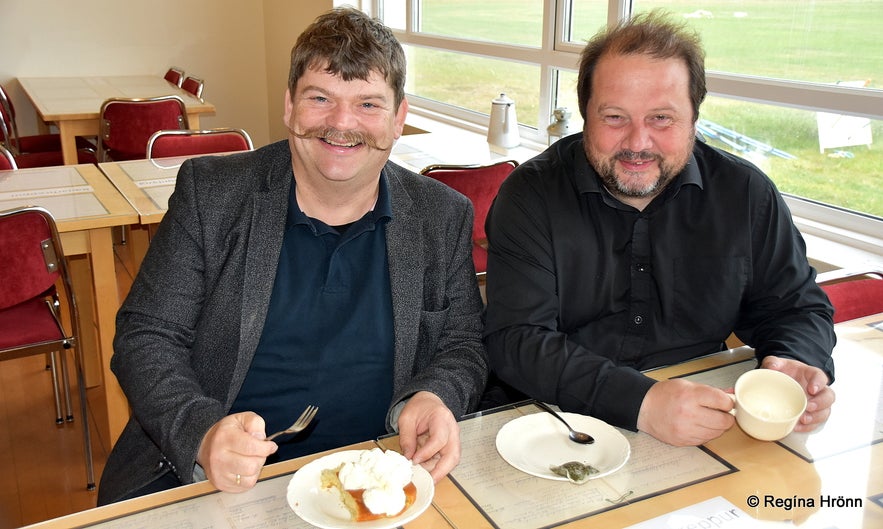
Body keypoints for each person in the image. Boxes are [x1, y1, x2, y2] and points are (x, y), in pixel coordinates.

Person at [98, 7, 487, 505]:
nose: (342, 124)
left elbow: (464, 344)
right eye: (320, 98)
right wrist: (202, 433)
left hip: (379, 475)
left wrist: (434, 395)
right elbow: (146, 334)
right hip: (223, 484)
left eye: (368, 104)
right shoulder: (212, 194)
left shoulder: (441, 214)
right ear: (289, 106)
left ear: (399, 118)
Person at [482, 11, 835, 447]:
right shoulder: (530, 195)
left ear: (695, 117)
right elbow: (516, 340)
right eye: (614, 117)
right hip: (551, 423)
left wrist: (794, 361)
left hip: (710, 418)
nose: (637, 143)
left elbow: (796, 306)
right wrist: (642, 402)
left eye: (661, 119)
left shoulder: (745, 193)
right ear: (586, 114)